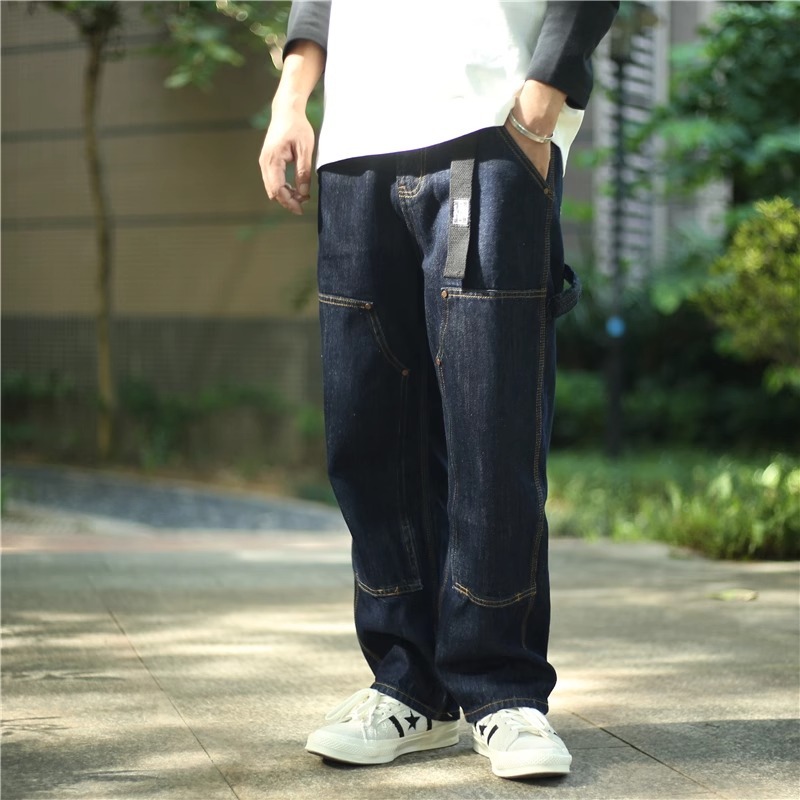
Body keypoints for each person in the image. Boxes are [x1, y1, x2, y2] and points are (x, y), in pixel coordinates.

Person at [259, 0, 618, 781]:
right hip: (355, 149)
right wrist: (291, 99)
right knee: (367, 436)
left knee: (492, 433)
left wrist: (544, 98)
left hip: (490, 127)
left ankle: (502, 690)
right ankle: (408, 686)